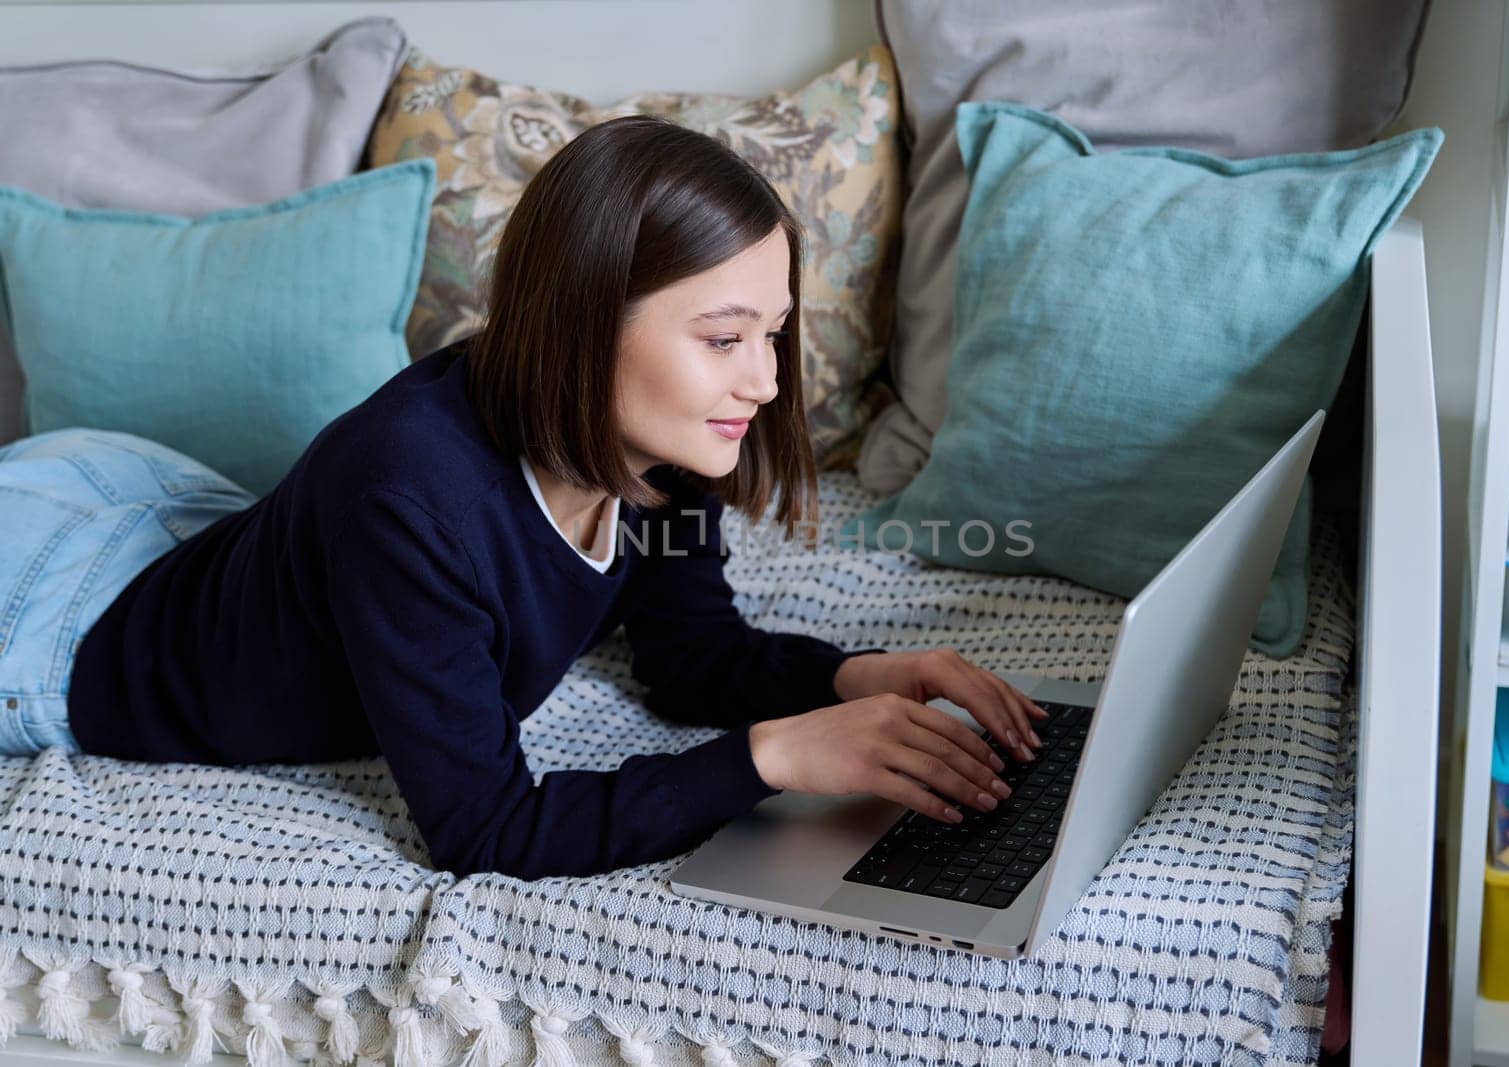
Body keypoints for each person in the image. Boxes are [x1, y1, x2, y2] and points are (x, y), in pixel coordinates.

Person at [0, 115, 1048, 881]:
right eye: (725, 339)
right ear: (585, 324)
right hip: (60, 621)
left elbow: (690, 659)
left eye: (769, 333)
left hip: (169, 510)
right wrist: (776, 754)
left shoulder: (667, 440)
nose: (766, 382)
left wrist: (863, 675)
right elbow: (484, 828)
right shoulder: (410, 496)